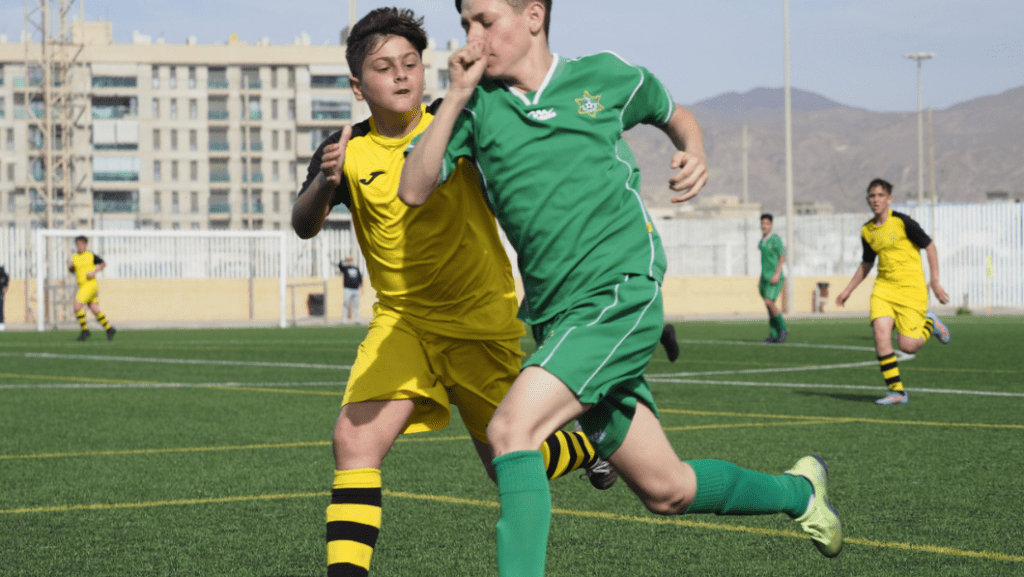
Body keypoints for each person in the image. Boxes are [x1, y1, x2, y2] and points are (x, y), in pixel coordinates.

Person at [398, 1, 843, 573]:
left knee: (510, 430)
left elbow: (674, 113)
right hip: (558, 322)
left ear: (533, 16)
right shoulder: (473, 106)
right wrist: (455, 96)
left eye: (485, 19)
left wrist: (694, 150)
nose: (471, 35)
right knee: (669, 490)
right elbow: (413, 188)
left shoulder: (602, 77)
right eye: (465, 24)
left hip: (620, 293)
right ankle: (800, 493)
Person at [290, 9, 614, 577]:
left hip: (478, 321)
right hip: (404, 323)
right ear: (356, 85)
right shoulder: (343, 148)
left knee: (510, 460)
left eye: (410, 64)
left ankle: (590, 445)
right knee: (354, 441)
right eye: (384, 67)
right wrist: (324, 182)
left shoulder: (456, 123)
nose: (400, 76)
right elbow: (302, 222)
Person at [836, 178, 950, 405]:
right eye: (871, 195)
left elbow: (929, 246)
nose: (875, 200)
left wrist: (935, 281)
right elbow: (867, 262)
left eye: (880, 195)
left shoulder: (902, 222)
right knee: (880, 333)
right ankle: (896, 391)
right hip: (884, 289)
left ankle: (931, 323)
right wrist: (848, 290)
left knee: (907, 345)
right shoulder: (867, 231)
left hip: (911, 289)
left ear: (889, 199)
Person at [68, 236, 115, 341]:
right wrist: (70, 268)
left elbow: (103, 264)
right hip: (82, 286)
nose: (79, 246)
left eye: (81, 244)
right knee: (94, 310)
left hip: (90, 285)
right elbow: (73, 270)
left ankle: (85, 330)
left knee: (76, 307)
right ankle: (109, 328)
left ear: (85, 245)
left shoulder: (90, 255)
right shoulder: (75, 257)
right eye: (78, 244)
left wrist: (94, 272)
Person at [758, 213, 788, 343]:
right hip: (765, 278)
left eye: (767, 224)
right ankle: (773, 334)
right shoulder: (762, 242)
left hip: (774, 278)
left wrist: (777, 273)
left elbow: (782, 255)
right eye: (763, 223)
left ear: (771, 225)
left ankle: (783, 328)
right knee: (768, 306)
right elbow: (764, 261)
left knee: (769, 302)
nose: (765, 226)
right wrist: (761, 277)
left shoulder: (775, 239)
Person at [338, 256, 363, 324]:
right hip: (348, 289)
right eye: (349, 260)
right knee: (346, 304)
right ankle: (344, 320)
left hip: (356, 289)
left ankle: (357, 320)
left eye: (351, 260)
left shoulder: (356, 268)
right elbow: (340, 266)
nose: (350, 261)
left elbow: (360, 279)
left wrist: (361, 289)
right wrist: (343, 260)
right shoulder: (345, 268)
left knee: (356, 305)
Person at [0, 264, 9, 332]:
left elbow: (6, 277)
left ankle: (1, 324)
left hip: (0, 292)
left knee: (0, 308)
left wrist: (5, 286)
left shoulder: (1, 270)